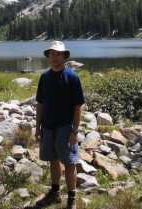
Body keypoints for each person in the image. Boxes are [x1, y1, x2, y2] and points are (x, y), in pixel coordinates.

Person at [35, 41, 86, 209]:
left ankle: (72, 199)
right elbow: (40, 104)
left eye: (58, 54)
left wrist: (75, 130)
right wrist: (37, 128)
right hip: (48, 127)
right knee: (53, 160)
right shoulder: (44, 77)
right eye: (52, 53)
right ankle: (55, 193)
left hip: (65, 127)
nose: (55, 57)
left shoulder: (72, 77)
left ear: (64, 56)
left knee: (70, 162)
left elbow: (78, 106)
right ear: (49, 55)